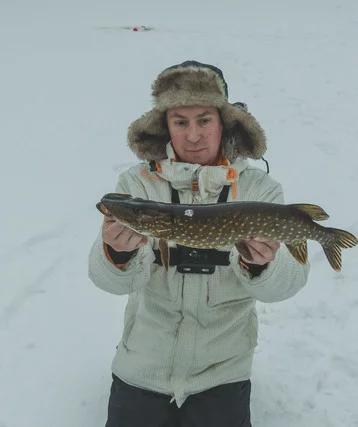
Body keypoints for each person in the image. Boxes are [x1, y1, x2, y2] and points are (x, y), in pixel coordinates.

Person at [88, 61, 311, 427]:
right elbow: (109, 282)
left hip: (221, 374)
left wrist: (263, 266)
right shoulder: (136, 185)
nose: (193, 136)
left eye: (204, 120)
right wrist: (117, 254)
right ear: (165, 126)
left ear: (224, 121)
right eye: (180, 121)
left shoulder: (259, 190)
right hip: (142, 368)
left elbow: (287, 286)